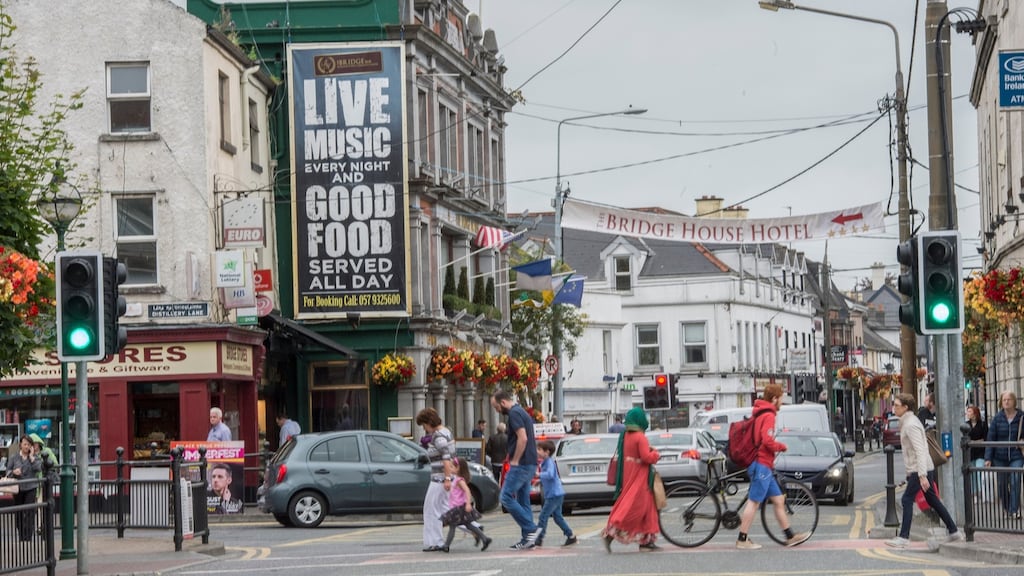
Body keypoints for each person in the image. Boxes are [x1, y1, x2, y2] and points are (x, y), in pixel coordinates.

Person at [735, 383, 810, 549]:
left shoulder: (760, 412)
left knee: (778, 500)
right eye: (781, 399)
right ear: (774, 399)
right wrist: (781, 446)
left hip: (764, 465)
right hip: (761, 463)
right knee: (754, 502)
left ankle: (790, 537)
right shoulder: (768, 415)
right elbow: (767, 440)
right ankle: (742, 539)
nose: (782, 402)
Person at [886, 393, 964, 548]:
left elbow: (920, 450)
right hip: (920, 468)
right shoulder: (908, 422)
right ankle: (953, 531)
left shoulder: (911, 425)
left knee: (906, 499)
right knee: (932, 500)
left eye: (897, 405)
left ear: (905, 407)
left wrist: (921, 475)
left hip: (921, 469)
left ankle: (903, 537)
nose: (894, 408)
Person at [601, 407, 661, 552]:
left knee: (636, 505)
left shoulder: (625, 436)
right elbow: (646, 457)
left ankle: (646, 541)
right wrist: (655, 454)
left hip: (629, 474)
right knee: (638, 508)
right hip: (641, 477)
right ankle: (612, 533)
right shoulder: (640, 437)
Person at [490, 390, 541, 550]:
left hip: (521, 463)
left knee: (505, 497)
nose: (497, 410)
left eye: (496, 407)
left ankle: (531, 528)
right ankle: (528, 539)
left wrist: (515, 460)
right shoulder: (522, 412)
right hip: (529, 462)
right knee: (523, 500)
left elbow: (522, 438)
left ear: (503, 402)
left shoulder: (514, 414)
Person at [416, 407, 455, 552]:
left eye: (424, 425)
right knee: (445, 508)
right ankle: (474, 527)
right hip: (444, 477)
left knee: (430, 510)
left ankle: (435, 542)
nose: (424, 429)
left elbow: (446, 458)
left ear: (428, 422)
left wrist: (447, 478)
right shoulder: (446, 431)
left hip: (439, 478)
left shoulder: (438, 436)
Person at [984, 391, 1024, 519]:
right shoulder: (997, 418)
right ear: (1001, 402)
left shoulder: (1021, 417)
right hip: (999, 457)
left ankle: (1014, 510)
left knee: (1015, 481)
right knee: (1002, 484)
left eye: (1009, 399)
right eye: (1004, 400)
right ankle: (1007, 508)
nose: (1006, 402)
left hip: (1016, 455)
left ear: (1014, 401)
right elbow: (991, 439)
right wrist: (988, 458)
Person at [439, 458, 491, 552]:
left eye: (452, 467)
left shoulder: (459, 481)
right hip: (456, 507)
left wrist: (468, 503)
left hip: (459, 508)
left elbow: (467, 491)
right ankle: (485, 539)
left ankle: (446, 545)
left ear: (458, 468)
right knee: (468, 525)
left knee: (452, 526)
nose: (450, 469)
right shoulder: (455, 479)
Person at [535, 439, 576, 548]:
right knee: (557, 517)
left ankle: (539, 539)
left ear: (547, 452)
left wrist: (538, 475)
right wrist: (540, 480)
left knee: (543, 516)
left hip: (554, 495)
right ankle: (571, 536)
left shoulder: (549, 462)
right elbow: (550, 476)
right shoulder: (545, 462)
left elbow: (550, 475)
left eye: (539, 449)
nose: (537, 451)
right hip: (556, 494)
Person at [6, 435, 41, 541]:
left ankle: (28, 536)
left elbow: (38, 469)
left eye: (29, 445)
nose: (26, 446)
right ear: (20, 445)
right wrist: (13, 472)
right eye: (25, 444)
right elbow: (7, 472)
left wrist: (32, 458)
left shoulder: (35, 457)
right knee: (19, 512)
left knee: (29, 511)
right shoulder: (14, 457)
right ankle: (21, 535)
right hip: (18, 488)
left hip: (31, 487)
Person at [966, 405, 989, 500]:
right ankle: (974, 493)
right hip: (970, 452)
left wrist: (974, 442)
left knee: (979, 470)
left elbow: (985, 439)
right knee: (972, 474)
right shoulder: (966, 425)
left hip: (981, 452)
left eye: (969, 411)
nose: (967, 413)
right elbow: (965, 439)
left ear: (975, 413)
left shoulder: (982, 424)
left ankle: (981, 492)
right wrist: (977, 441)